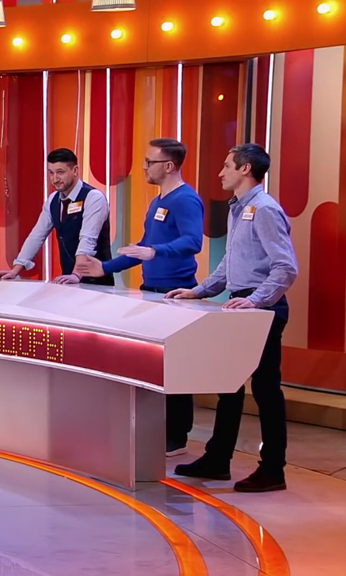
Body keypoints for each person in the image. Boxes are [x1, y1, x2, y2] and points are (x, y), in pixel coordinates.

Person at [166, 143, 297, 493]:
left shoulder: (265, 209)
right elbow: (230, 262)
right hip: (242, 306)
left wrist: (255, 300)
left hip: (261, 309)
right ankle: (217, 458)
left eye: (227, 166)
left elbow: (285, 267)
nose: (220, 172)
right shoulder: (238, 207)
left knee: (265, 389)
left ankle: (273, 469)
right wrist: (199, 290)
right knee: (229, 385)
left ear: (245, 169)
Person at [76, 138, 204, 457]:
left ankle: (176, 435)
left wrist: (155, 251)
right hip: (152, 293)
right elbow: (142, 247)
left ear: (169, 166)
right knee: (153, 365)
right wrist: (104, 267)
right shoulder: (157, 201)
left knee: (176, 368)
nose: (144, 167)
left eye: (150, 162)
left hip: (176, 294)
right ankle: (156, 430)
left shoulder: (186, 199)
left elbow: (193, 241)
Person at [0, 148, 112, 285]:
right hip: (68, 281)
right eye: (51, 173)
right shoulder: (53, 200)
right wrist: (15, 271)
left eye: (60, 172)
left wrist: (77, 274)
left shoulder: (93, 198)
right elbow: (36, 236)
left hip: (97, 283)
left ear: (75, 171)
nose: (55, 179)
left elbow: (87, 240)